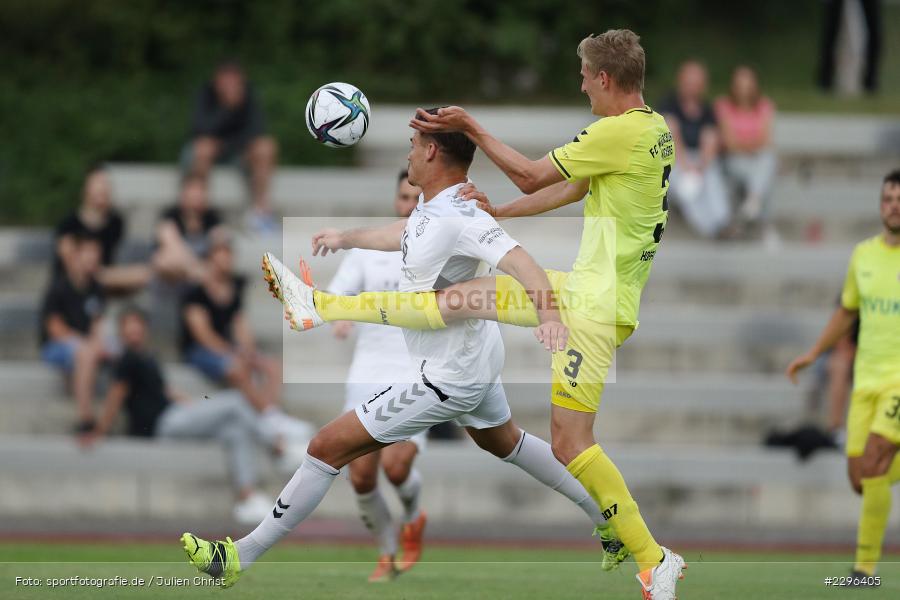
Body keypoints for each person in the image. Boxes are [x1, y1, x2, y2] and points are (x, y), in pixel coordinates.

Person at [249, 30, 686, 599]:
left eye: (584, 77)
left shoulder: (615, 131)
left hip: (593, 309)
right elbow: (575, 189)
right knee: (457, 299)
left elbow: (533, 175)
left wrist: (473, 128)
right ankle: (320, 306)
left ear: (605, 78)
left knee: (571, 442)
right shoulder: (652, 130)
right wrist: (500, 211)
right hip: (587, 291)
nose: (582, 87)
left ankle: (654, 559)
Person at [182, 109, 626, 590]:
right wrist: (346, 238)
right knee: (507, 443)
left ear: (432, 151)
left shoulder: (462, 214)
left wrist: (550, 316)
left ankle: (237, 557)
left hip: (448, 375)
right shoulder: (433, 207)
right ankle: (609, 521)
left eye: (414, 145)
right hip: (473, 358)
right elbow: (403, 234)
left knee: (326, 447)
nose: (409, 153)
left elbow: (522, 263)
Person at [787, 169, 900, 581]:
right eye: (888, 198)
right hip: (866, 381)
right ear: (880, 205)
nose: (894, 205)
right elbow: (847, 311)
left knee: (874, 463)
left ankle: (864, 568)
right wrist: (814, 352)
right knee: (860, 477)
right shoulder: (863, 255)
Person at [81, 306, 283, 524]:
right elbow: (115, 397)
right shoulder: (126, 360)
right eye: (128, 327)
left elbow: (164, 390)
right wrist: (99, 431)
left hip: (175, 416)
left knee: (235, 430)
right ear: (121, 331)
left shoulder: (147, 356)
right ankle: (278, 443)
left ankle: (247, 498)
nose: (133, 331)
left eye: (137, 326)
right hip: (162, 423)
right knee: (235, 400)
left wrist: (192, 406)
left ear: (145, 329)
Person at [327, 170, 427, 581]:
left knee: (396, 467)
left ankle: (414, 517)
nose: (409, 206)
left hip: (415, 374)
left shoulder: (437, 248)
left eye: (417, 199)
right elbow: (337, 293)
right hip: (367, 373)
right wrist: (340, 315)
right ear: (395, 200)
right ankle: (387, 553)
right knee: (361, 475)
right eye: (404, 197)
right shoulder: (368, 250)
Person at [180, 229, 297, 443]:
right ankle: (271, 417)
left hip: (228, 347)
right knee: (236, 367)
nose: (226, 258)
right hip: (199, 351)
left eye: (228, 252)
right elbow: (202, 335)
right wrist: (234, 353)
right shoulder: (195, 292)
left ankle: (269, 417)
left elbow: (239, 324)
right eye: (221, 252)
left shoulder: (234, 288)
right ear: (210, 256)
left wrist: (248, 351)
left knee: (273, 367)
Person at [184, 61, 278, 228]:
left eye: (234, 81)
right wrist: (227, 108)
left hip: (239, 151)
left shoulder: (249, 94)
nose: (230, 86)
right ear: (216, 81)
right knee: (203, 148)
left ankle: (260, 211)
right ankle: (199, 208)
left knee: (266, 146)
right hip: (209, 152)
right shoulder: (205, 94)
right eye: (226, 80)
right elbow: (200, 129)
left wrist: (228, 144)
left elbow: (257, 129)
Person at [39, 233, 110, 430]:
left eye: (96, 253)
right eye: (88, 252)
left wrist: (98, 343)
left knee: (116, 351)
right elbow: (55, 329)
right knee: (85, 353)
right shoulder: (58, 287)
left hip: (84, 345)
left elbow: (97, 324)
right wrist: (85, 344)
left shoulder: (97, 288)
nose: (93, 257)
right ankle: (85, 418)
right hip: (57, 346)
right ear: (75, 256)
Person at [659, 60, 729, 239]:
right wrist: (686, 165)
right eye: (689, 82)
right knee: (688, 185)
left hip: (701, 159)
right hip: (674, 159)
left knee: (712, 179)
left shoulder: (707, 110)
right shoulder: (668, 105)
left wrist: (701, 166)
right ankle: (710, 228)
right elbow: (669, 137)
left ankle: (723, 222)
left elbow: (711, 138)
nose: (692, 88)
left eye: (697, 83)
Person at [55, 164, 151, 292]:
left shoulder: (116, 223)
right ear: (86, 190)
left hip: (103, 286)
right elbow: (74, 268)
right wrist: (112, 276)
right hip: (73, 290)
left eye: (105, 185)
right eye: (98, 185)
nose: (102, 189)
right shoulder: (68, 225)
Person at [714, 66, 778, 240]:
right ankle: (762, 218)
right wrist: (752, 145)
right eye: (740, 84)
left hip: (757, 160)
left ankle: (753, 200)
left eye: (748, 83)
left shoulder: (764, 105)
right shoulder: (723, 105)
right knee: (764, 172)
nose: (744, 88)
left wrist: (743, 143)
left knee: (768, 159)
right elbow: (729, 143)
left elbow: (767, 140)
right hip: (732, 161)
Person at [154, 174, 224, 284]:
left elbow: (220, 249)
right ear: (183, 194)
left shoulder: (213, 219)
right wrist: (197, 269)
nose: (197, 195)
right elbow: (171, 246)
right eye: (193, 190)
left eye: (201, 190)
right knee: (163, 260)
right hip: (178, 274)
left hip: (199, 278)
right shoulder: (170, 216)